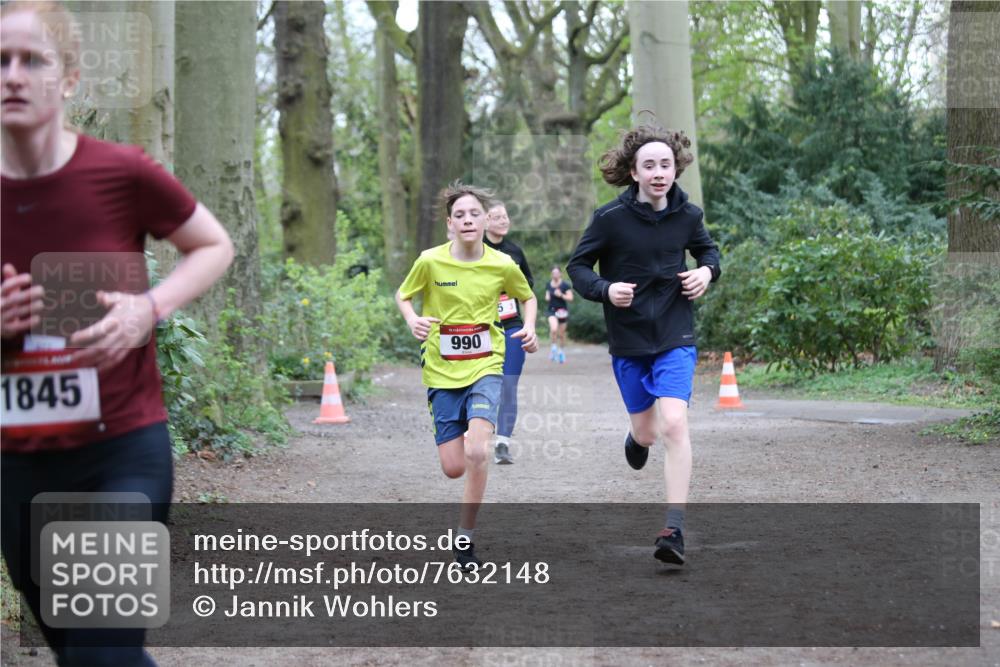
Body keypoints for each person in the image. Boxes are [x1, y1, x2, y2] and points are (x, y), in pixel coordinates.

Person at [0, 2, 234, 664]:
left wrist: (147, 309)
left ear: (70, 78)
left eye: (32, 60)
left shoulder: (119, 172)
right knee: (85, 651)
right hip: (18, 461)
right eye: (0, 61)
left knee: (99, 646)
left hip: (121, 452)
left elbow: (213, 245)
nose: (12, 75)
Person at [567, 125, 721, 565]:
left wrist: (706, 273)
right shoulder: (609, 219)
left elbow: (709, 253)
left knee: (674, 424)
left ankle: (674, 528)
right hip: (629, 340)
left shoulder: (688, 215)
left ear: (676, 170)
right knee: (648, 432)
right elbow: (578, 267)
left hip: (675, 335)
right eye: (649, 165)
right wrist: (606, 289)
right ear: (634, 172)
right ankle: (636, 439)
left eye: (665, 165)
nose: (658, 173)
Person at [395, 182, 538, 568]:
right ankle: (462, 430)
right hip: (441, 371)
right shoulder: (430, 261)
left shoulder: (502, 263)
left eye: (475, 213)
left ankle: (465, 537)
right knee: (453, 467)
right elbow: (403, 295)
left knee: (477, 452)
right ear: (450, 224)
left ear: (485, 220)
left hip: (486, 365)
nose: (468, 220)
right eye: (460, 215)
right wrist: (412, 319)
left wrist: (529, 327)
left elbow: (527, 296)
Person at [484, 201, 535, 464]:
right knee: (481, 383)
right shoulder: (475, 250)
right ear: (485, 221)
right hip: (480, 328)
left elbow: (528, 291)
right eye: (497, 217)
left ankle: (502, 443)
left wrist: (529, 326)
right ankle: (474, 433)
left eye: (505, 216)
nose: (504, 220)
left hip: (511, 326)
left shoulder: (515, 252)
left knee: (508, 384)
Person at [544, 266, 573, 363]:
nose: (555, 275)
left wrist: (561, 295)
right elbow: (547, 296)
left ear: (560, 274)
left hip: (562, 312)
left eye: (557, 273)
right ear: (551, 274)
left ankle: (561, 351)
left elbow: (570, 298)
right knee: (553, 329)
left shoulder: (565, 285)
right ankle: (553, 349)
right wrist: (547, 297)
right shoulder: (548, 284)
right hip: (551, 310)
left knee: (561, 334)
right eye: (553, 273)